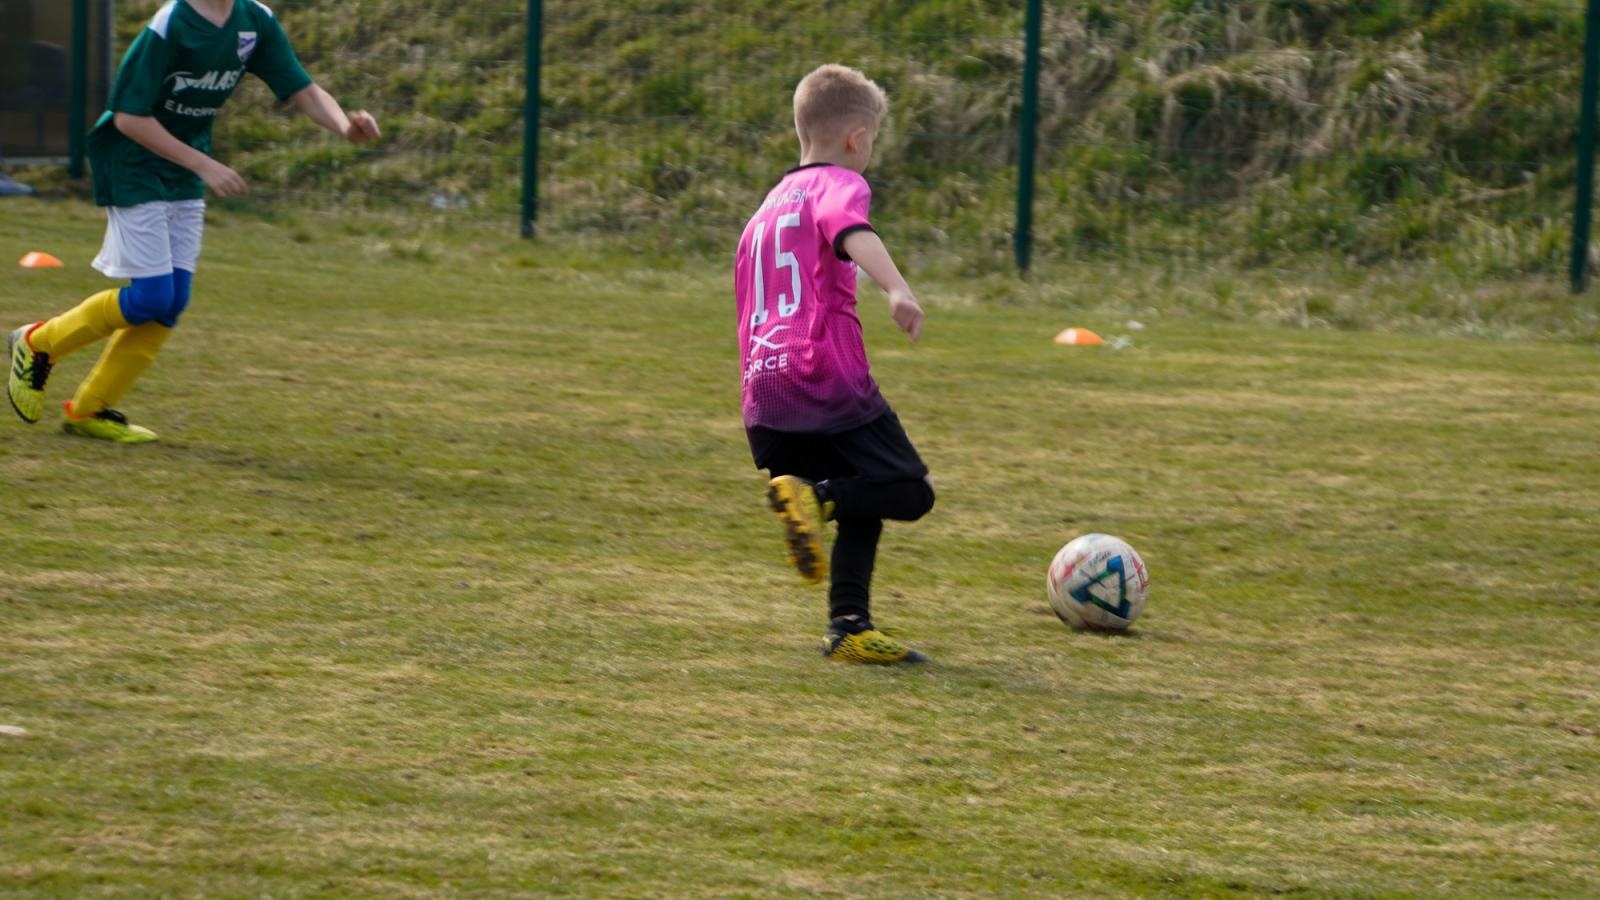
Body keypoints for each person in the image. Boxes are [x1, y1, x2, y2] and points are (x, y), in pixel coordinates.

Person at [7, 0, 379, 441]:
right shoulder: (171, 24)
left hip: (182, 166)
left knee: (172, 301)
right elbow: (128, 118)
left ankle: (89, 410)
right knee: (150, 297)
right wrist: (204, 165)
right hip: (132, 163)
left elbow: (303, 88)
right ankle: (38, 343)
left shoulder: (254, 20)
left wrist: (344, 127)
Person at [735, 64, 935, 665]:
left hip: (764, 389)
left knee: (863, 492)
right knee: (905, 489)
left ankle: (849, 627)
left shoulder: (765, 209)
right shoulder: (838, 184)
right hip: (823, 375)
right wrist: (897, 289)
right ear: (857, 138)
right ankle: (816, 499)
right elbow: (852, 230)